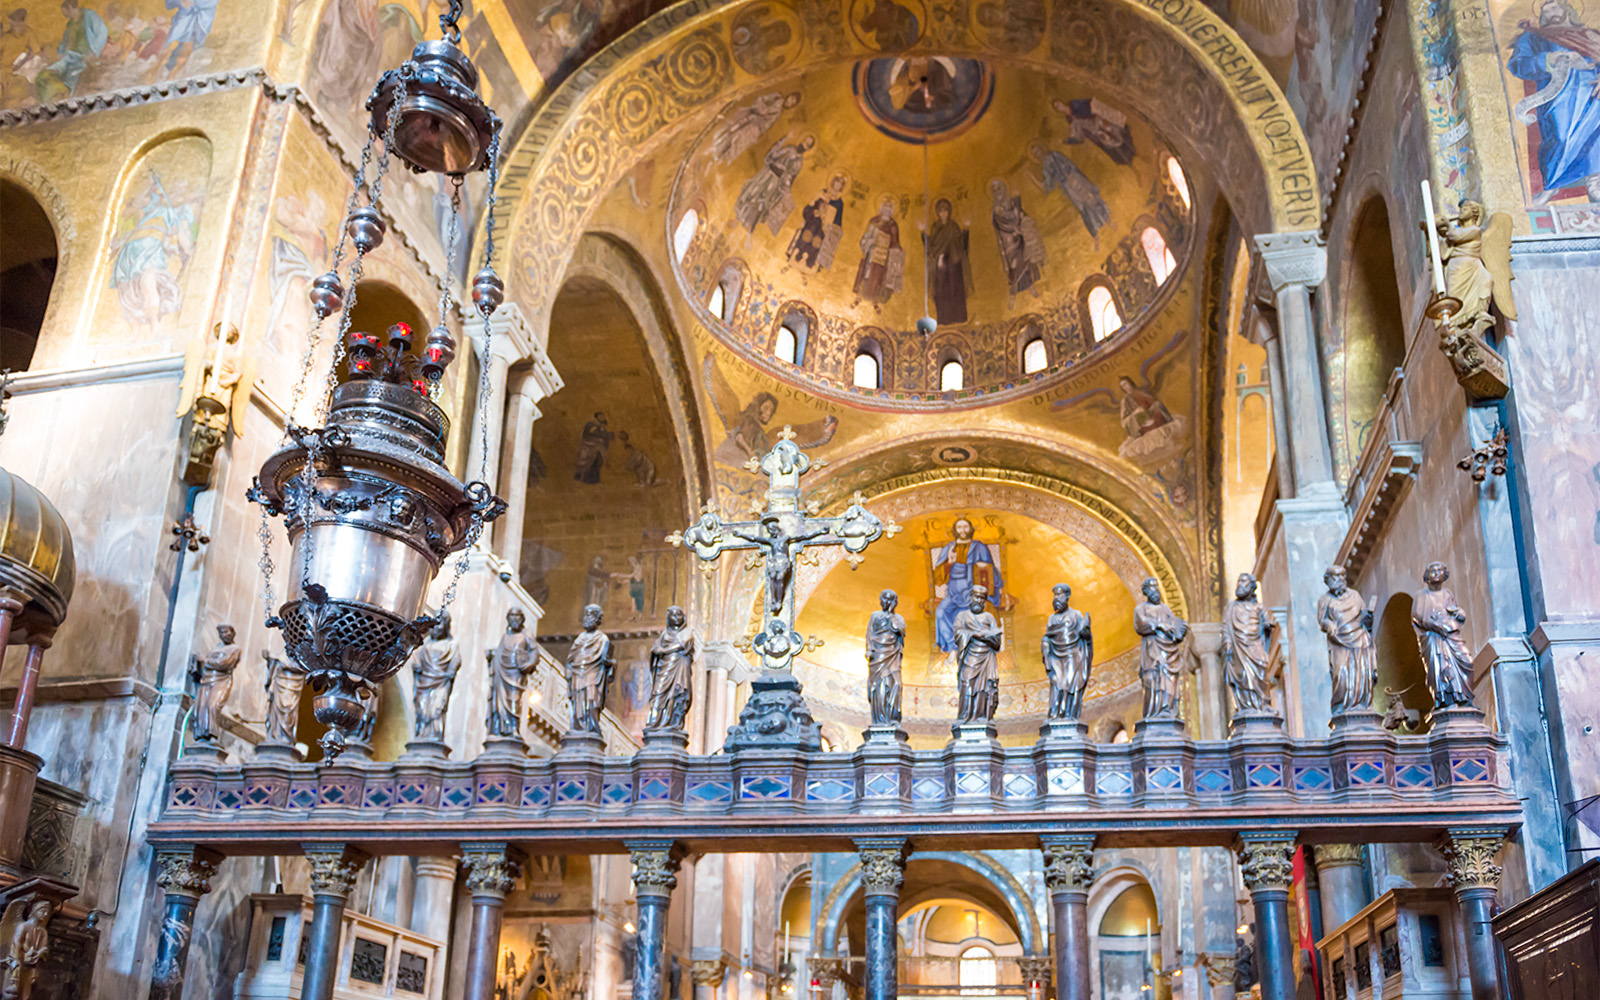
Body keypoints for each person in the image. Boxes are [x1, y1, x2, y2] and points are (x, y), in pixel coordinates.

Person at [1509, 2, 1600, 203]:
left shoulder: (1591, 35)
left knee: (1595, 130)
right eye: (1546, 9)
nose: (1552, 12)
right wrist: (1549, 58)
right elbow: (1518, 64)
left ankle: (1595, 182)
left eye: (1556, 6)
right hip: (1558, 96)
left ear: (1567, 10)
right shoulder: (1533, 38)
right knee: (1559, 135)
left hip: (1592, 91)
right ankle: (1552, 184)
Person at [932, 517, 1001, 652]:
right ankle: (953, 647)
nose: (962, 531)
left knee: (974, 614)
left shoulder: (979, 547)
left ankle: (975, 649)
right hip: (953, 594)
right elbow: (938, 578)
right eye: (959, 527)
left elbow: (994, 574)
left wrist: (984, 567)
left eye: (965, 527)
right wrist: (950, 562)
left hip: (973, 593)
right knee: (941, 612)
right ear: (955, 530)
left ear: (971, 529)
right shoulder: (949, 548)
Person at [1412, 562, 1475, 709]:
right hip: (1434, 638)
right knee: (1439, 668)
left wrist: (1460, 613)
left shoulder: (1447, 594)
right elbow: (1418, 616)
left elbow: (1453, 611)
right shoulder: (1422, 595)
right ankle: (1445, 699)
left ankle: (1463, 696)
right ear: (1427, 576)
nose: (1436, 573)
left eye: (1440, 570)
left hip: (1451, 637)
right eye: (1432, 571)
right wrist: (1436, 626)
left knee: (1468, 662)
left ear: (1445, 574)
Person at [1318, 566, 1376, 714]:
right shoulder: (1325, 600)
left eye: (1343, 575)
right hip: (1339, 642)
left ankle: (1363, 706)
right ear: (1328, 580)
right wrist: (1329, 624)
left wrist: (1368, 619)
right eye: (1336, 576)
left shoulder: (1355, 595)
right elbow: (1322, 621)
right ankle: (1342, 707)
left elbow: (1364, 618)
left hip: (1360, 640)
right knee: (1341, 675)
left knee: (1363, 673)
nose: (1341, 579)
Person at [733, 134, 812, 234]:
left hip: (776, 180)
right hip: (768, 172)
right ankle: (739, 217)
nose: (804, 144)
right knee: (754, 191)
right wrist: (777, 150)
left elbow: (791, 177)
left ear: (808, 149)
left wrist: (786, 178)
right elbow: (776, 154)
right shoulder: (790, 148)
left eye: (807, 144)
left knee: (763, 199)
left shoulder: (799, 163)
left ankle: (750, 223)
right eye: (805, 141)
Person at [1221, 573, 1276, 714]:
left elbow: (1267, 621)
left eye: (1244, 582)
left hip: (1255, 645)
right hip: (1238, 647)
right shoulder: (1231, 607)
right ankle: (1246, 706)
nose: (1240, 585)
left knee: (1261, 671)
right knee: (1242, 675)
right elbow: (1226, 626)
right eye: (1239, 582)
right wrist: (1227, 642)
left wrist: (1268, 626)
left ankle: (1263, 704)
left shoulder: (1259, 607)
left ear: (1252, 588)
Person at [1134, 578, 1187, 718]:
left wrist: (1180, 630)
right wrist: (1158, 625)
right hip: (1152, 650)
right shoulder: (1140, 609)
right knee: (1151, 680)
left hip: (1168, 653)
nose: (1155, 590)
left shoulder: (1165, 608)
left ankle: (1168, 710)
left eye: (1156, 587)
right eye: (1151, 587)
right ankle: (1154, 713)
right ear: (1145, 591)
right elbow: (1140, 624)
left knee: (1168, 680)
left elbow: (1174, 624)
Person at [1042, 583, 1093, 720]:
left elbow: (1085, 635)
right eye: (1055, 595)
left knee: (1071, 685)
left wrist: (1086, 631)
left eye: (1060, 594)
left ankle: (1070, 715)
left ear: (1067, 596)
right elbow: (1048, 635)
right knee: (1058, 685)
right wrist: (1045, 644)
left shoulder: (1076, 614)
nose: (1057, 598)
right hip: (1056, 657)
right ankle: (1056, 714)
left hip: (1073, 656)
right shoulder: (1052, 618)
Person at [409, 611, 461, 742]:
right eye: (435, 625)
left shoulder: (451, 645)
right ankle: (421, 735)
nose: (437, 628)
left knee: (437, 709)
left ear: (446, 626)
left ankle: (434, 736)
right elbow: (416, 657)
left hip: (441, 681)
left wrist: (451, 669)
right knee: (421, 710)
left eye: (440, 625)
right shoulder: (426, 643)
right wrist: (417, 666)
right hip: (424, 681)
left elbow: (456, 660)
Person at [989, 179, 1044, 303]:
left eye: (999, 188)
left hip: (1020, 239)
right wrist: (1014, 227)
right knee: (1013, 265)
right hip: (1008, 243)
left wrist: (1024, 223)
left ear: (1004, 188)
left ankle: (1030, 287)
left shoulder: (1013, 204)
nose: (998, 192)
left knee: (1026, 262)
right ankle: (1013, 293)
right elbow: (1000, 225)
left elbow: (1022, 216)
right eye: (994, 190)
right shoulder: (996, 211)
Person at [954, 586, 1003, 722]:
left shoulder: (989, 617)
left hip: (987, 657)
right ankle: (965, 718)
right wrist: (976, 634)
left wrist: (986, 636)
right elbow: (957, 634)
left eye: (982, 598)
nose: (979, 601)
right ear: (970, 597)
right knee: (967, 684)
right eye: (976, 597)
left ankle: (983, 717)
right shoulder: (962, 616)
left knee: (985, 689)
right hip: (970, 656)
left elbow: (997, 642)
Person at [565, 604, 616, 733]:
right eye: (586, 615)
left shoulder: (602, 639)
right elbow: (571, 659)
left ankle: (591, 727)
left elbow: (607, 660)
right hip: (578, 673)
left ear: (598, 619)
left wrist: (610, 664)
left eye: (591, 615)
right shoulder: (580, 638)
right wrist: (569, 671)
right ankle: (578, 727)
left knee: (591, 700)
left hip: (593, 673)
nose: (587, 618)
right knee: (578, 702)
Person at [487, 608, 536, 738]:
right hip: (501, 671)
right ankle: (498, 729)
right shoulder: (505, 636)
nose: (514, 619)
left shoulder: (526, 635)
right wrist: (492, 654)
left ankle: (514, 728)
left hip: (515, 673)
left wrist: (530, 663)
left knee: (514, 699)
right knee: (499, 701)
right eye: (512, 616)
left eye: (517, 616)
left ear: (522, 619)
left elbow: (534, 652)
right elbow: (501, 651)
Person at [645, 606, 695, 731]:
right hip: (665, 668)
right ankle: (655, 721)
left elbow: (682, 644)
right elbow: (655, 649)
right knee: (658, 692)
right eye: (673, 615)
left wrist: (664, 650)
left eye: (679, 614)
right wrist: (657, 650)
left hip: (680, 668)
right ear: (668, 618)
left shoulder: (687, 632)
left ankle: (673, 723)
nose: (676, 618)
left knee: (677, 694)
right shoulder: (664, 634)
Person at [922, 198, 972, 324]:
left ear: (949, 212)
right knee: (942, 292)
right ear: (937, 213)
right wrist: (923, 235)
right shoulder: (935, 228)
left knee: (956, 290)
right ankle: (944, 319)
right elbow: (931, 248)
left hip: (954, 265)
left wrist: (966, 230)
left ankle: (960, 317)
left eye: (945, 210)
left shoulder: (953, 226)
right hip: (940, 266)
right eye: (941, 210)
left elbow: (962, 246)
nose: (943, 213)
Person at [188, 623, 239, 743]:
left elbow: (224, 663)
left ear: (232, 633)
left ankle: (212, 735)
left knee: (213, 706)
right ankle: (201, 736)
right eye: (222, 633)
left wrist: (205, 660)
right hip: (207, 679)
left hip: (221, 681)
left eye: (227, 632)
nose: (226, 635)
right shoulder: (216, 648)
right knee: (201, 707)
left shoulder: (235, 649)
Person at [852, 197, 903, 307]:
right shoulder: (874, 221)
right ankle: (859, 296)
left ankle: (874, 300)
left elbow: (895, 242)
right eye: (885, 207)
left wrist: (895, 249)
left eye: (890, 208)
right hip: (871, 252)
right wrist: (870, 242)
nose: (887, 210)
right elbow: (865, 237)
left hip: (883, 257)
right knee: (866, 273)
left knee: (878, 278)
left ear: (892, 210)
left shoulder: (893, 226)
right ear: (881, 207)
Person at [865, 589, 906, 725]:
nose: (886, 602)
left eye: (890, 599)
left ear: (895, 602)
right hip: (878, 655)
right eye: (884, 598)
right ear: (880, 600)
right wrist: (869, 649)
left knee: (896, 684)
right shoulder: (875, 615)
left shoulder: (898, 618)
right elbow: (869, 633)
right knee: (879, 686)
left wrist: (891, 615)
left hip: (892, 654)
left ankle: (893, 718)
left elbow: (900, 631)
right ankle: (879, 720)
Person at [573, 411, 613, 483]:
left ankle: (592, 481)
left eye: (603, 417)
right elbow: (590, 433)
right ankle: (580, 478)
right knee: (584, 462)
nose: (602, 418)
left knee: (595, 465)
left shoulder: (602, 428)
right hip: (588, 447)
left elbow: (605, 437)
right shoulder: (591, 425)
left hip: (597, 450)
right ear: (596, 418)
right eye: (600, 417)